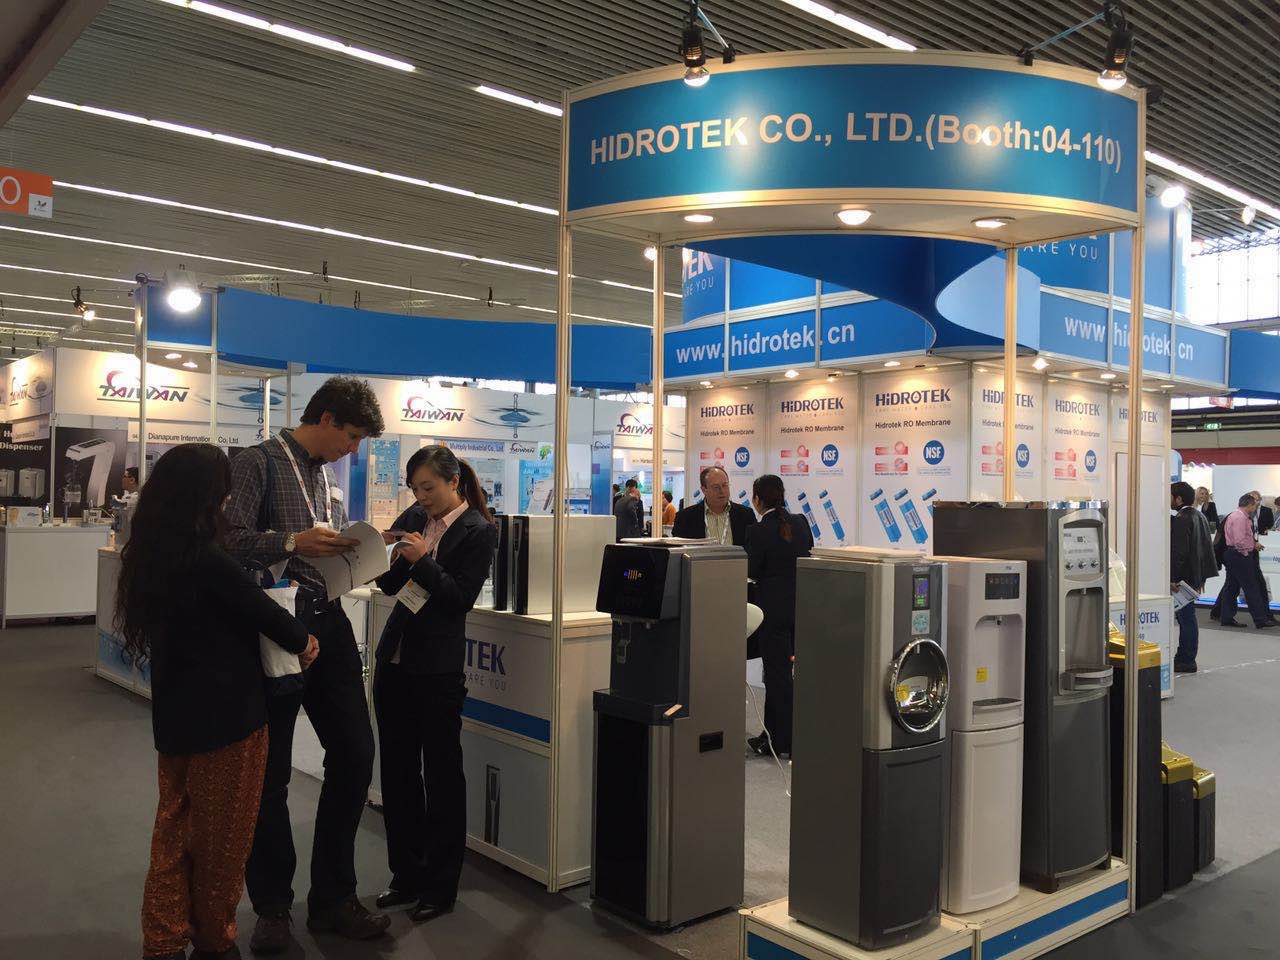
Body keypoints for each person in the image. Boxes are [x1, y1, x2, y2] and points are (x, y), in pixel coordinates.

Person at [116, 444, 315, 960]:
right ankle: (214, 940)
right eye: (224, 490)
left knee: (173, 829)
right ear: (208, 495)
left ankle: (162, 939)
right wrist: (305, 641)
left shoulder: (150, 554)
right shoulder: (210, 560)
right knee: (223, 842)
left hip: (175, 718)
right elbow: (270, 617)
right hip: (229, 722)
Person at [223, 376, 389, 951]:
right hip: (276, 626)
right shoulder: (256, 463)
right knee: (270, 774)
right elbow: (227, 542)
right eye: (351, 437)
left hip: (329, 618)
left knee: (355, 754)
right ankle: (272, 908)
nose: (353, 450)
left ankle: (333, 898)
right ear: (324, 418)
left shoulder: (322, 475)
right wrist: (291, 543)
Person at [372, 446, 498, 923]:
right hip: (395, 660)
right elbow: (389, 586)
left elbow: (459, 598)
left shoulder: (478, 530)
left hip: (437, 669)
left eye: (428, 488)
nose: (421, 497)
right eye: (415, 489)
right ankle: (405, 875)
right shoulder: (414, 517)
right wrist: (382, 551)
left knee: (442, 777)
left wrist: (423, 559)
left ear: (453, 482)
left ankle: (440, 886)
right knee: (398, 773)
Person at [744, 475, 813, 758]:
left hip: (771, 613)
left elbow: (752, 570)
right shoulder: (801, 523)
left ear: (757, 500)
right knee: (792, 675)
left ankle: (781, 739)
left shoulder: (757, 531)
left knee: (776, 677)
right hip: (801, 607)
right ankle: (779, 735)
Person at [1215, 494, 1276, 629]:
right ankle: (1260, 620)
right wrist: (1246, 552)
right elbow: (1239, 541)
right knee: (1251, 587)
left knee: (1232, 587)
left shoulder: (1235, 516)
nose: (1255, 508)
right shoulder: (1240, 518)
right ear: (1249, 505)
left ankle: (1226, 617)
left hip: (1234, 555)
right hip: (1239, 555)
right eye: (1255, 505)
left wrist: (1251, 546)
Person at [1170, 481, 1213, 674]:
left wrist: (1173, 578)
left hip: (1182, 579)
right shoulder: (1199, 516)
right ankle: (1186, 657)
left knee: (1186, 618)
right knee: (1188, 618)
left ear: (1178, 498)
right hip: (1193, 577)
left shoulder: (1182, 518)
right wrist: (1201, 578)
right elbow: (1205, 550)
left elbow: (1179, 552)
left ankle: (1186, 659)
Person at [672, 466, 757, 546]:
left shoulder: (746, 514)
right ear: (704, 490)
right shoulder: (685, 518)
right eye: (716, 487)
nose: (722, 491)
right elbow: (678, 551)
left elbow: (754, 547)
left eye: (725, 485)